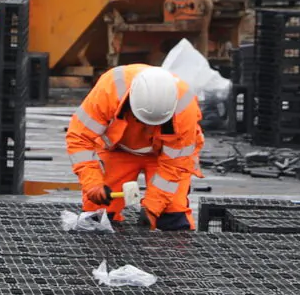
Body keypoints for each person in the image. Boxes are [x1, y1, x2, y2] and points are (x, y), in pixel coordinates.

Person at [65, 62, 204, 231]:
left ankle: (174, 253)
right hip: (118, 151)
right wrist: (92, 182)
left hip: (164, 157)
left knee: (172, 211)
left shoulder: (184, 107)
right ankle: (105, 255)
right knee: (99, 211)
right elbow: (80, 137)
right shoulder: (110, 88)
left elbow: (175, 164)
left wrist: (152, 207)